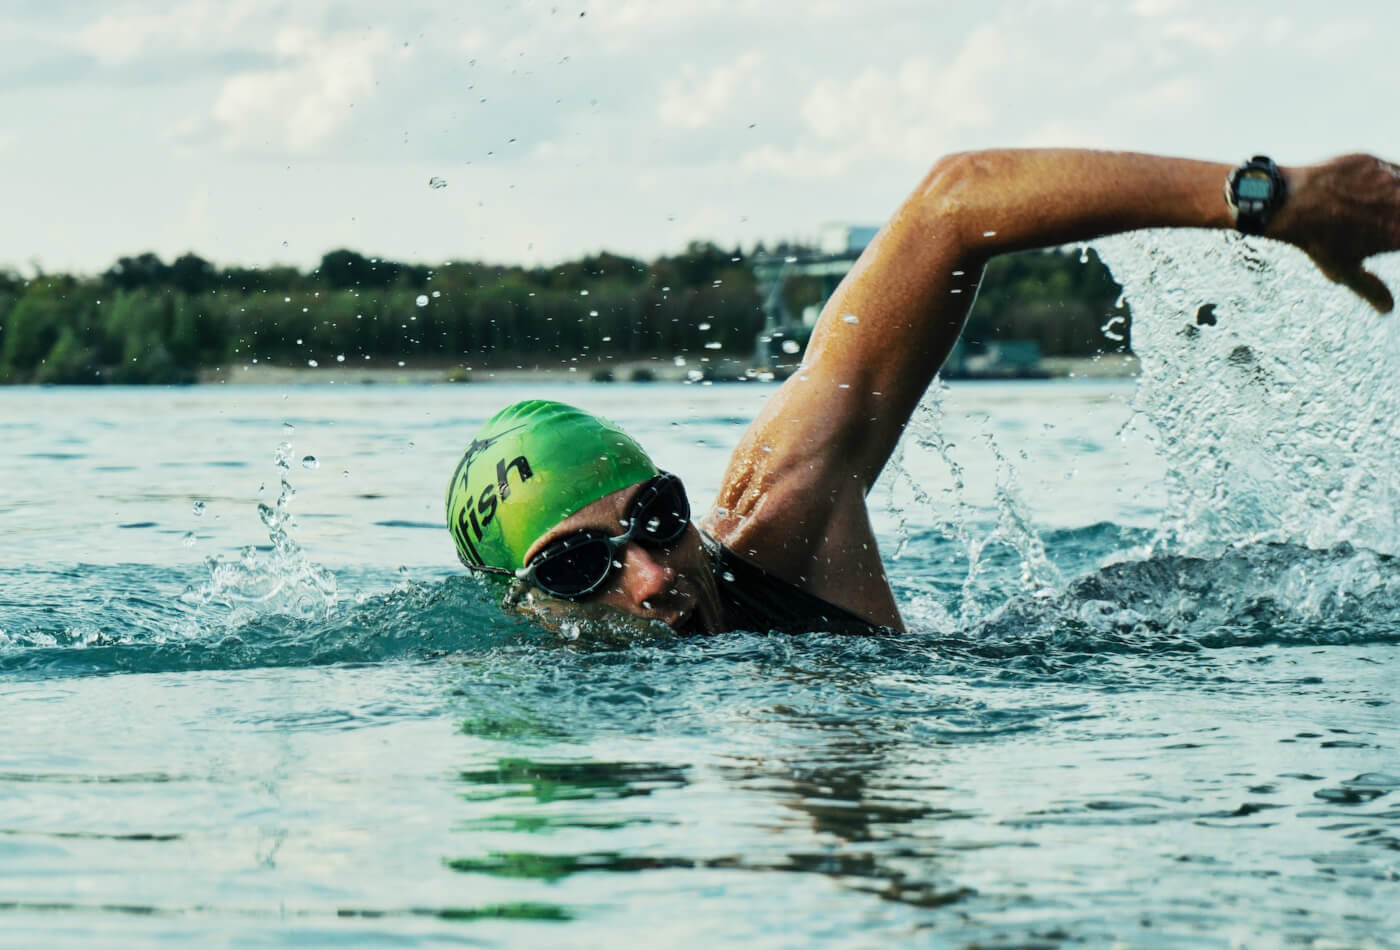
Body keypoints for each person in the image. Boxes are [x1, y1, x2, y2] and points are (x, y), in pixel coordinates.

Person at [447, 149, 1400, 635]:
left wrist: (1270, 199)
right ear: (521, 605)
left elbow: (955, 202)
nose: (651, 576)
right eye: (580, 570)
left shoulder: (778, 523)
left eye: (655, 517)